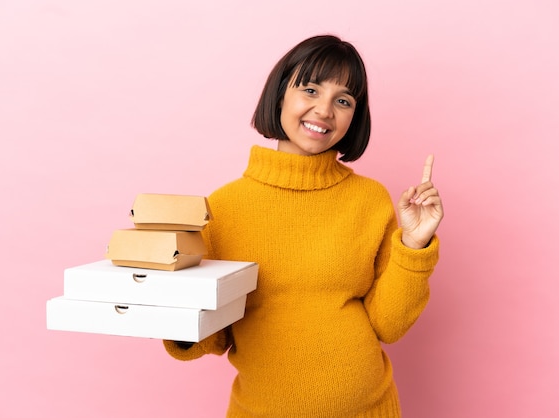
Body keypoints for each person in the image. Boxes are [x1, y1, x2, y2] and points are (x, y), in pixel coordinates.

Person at [163, 34, 443, 417]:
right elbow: (210, 337)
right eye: (310, 89)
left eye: (343, 100)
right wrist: (167, 298)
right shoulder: (222, 208)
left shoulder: (370, 199)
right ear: (279, 96)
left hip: (368, 409)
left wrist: (412, 245)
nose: (324, 110)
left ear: (353, 117)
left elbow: (388, 325)